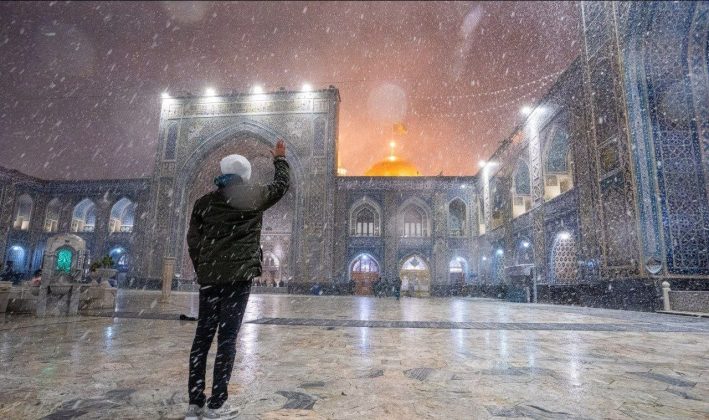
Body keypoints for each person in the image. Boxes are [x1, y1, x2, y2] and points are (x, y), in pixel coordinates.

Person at [185, 139, 290, 420]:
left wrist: (204, 267)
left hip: (210, 279)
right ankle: (217, 404)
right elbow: (281, 186)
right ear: (245, 176)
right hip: (238, 279)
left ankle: (195, 402)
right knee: (227, 339)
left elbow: (193, 241)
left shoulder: (204, 203)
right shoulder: (251, 196)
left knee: (202, 339)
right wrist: (279, 159)